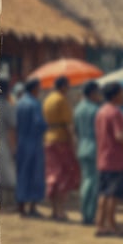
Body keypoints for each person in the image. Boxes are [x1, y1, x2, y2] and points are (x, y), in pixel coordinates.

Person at [42, 75, 81, 221]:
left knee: (52, 174)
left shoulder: (48, 99)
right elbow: (68, 125)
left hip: (48, 138)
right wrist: (73, 143)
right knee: (62, 175)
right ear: (64, 86)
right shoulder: (62, 100)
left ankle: (54, 209)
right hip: (61, 140)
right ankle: (59, 210)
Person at [94, 81, 123, 237]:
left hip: (103, 156)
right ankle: (112, 225)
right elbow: (119, 136)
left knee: (104, 193)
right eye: (122, 93)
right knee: (113, 195)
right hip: (114, 158)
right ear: (116, 95)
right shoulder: (115, 113)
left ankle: (100, 224)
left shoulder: (101, 111)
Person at [15, 78, 47, 217]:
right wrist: (47, 126)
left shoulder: (19, 103)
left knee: (22, 174)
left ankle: (21, 206)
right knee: (35, 175)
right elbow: (39, 123)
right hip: (34, 143)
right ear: (34, 89)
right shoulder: (35, 104)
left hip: (21, 142)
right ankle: (33, 207)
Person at [73, 80, 102, 225]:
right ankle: (89, 214)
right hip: (93, 147)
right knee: (92, 183)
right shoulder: (95, 110)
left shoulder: (78, 109)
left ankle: (86, 213)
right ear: (92, 93)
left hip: (82, 146)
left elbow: (76, 130)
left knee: (86, 180)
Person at [0, 78, 17, 210]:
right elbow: (12, 128)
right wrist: (14, 147)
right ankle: (4, 201)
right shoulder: (6, 106)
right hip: (1, 143)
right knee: (5, 174)